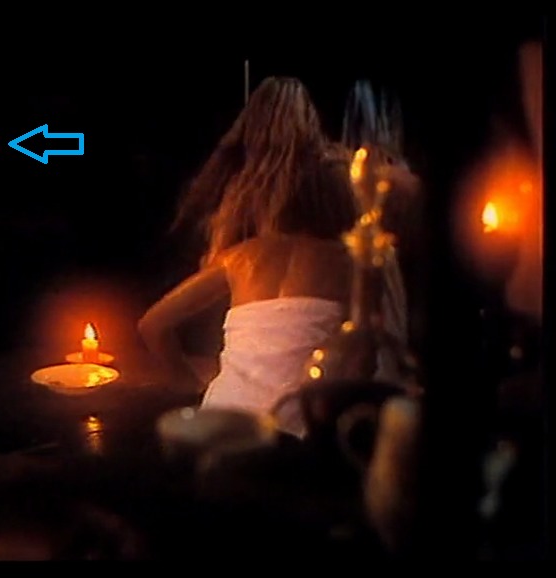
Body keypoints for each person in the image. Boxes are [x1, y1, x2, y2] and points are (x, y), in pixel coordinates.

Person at [137, 76, 409, 428]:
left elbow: (152, 325)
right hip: (298, 430)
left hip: (221, 421)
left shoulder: (240, 258)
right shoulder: (352, 262)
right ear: (341, 202)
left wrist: (190, 382)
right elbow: (366, 363)